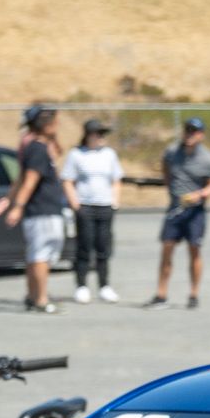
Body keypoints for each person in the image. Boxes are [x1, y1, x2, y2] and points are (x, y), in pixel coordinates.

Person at [0, 103, 74, 313]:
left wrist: (7, 200)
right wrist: (17, 206)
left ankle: (32, 295)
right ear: (45, 125)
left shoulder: (39, 147)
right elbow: (29, 181)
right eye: (54, 122)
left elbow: (21, 178)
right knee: (41, 255)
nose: (57, 126)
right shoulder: (37, 149)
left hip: (44, 210)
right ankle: (41, 299)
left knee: (37, 254)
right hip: (42, 210)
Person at [150, 117, 210, 310]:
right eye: (187, 130)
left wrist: (201, 194)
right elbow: (165, 169)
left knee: (194, 249)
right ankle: (161, 294)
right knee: (167, 247)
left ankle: (193, 294)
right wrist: (171, 189)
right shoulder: (172, 152)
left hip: (195, 212)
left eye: (194, 132)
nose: (190, 135)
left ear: (201, 135)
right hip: (175, 209)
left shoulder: (206, 158)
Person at [63, 119, 122, 303]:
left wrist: (115, 203)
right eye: (98, 134)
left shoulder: (109, 154)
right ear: (89, 135)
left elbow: (116, 180)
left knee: (103, 247)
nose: (101, 137)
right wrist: (76, 205)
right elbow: (68, 181)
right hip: (85, 206)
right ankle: (81, 286)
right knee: (85, 246)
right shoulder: (76, 154)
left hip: (105, 206)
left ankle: (104, 286)